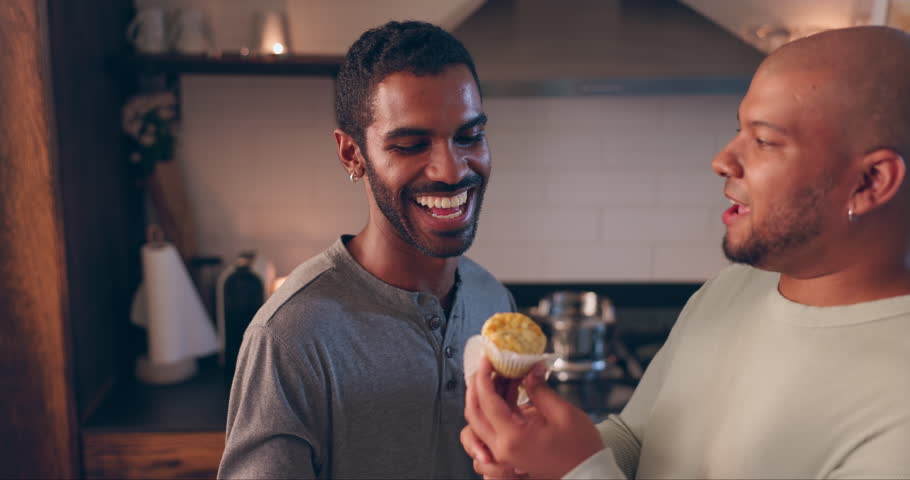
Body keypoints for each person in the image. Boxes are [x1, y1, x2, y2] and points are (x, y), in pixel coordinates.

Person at [462, 25, 910, 479]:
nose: (723, 160)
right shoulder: (734, 287)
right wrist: (537, 454)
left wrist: (575, 471)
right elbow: (640, 441)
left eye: (764, 140)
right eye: (739, 130)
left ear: (870, 182)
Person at [218, 21, 514, 479]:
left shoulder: (494, 302)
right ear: (352, 154)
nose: (452, 170)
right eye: (412, 145)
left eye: (469, 137)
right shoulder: (290, 339)